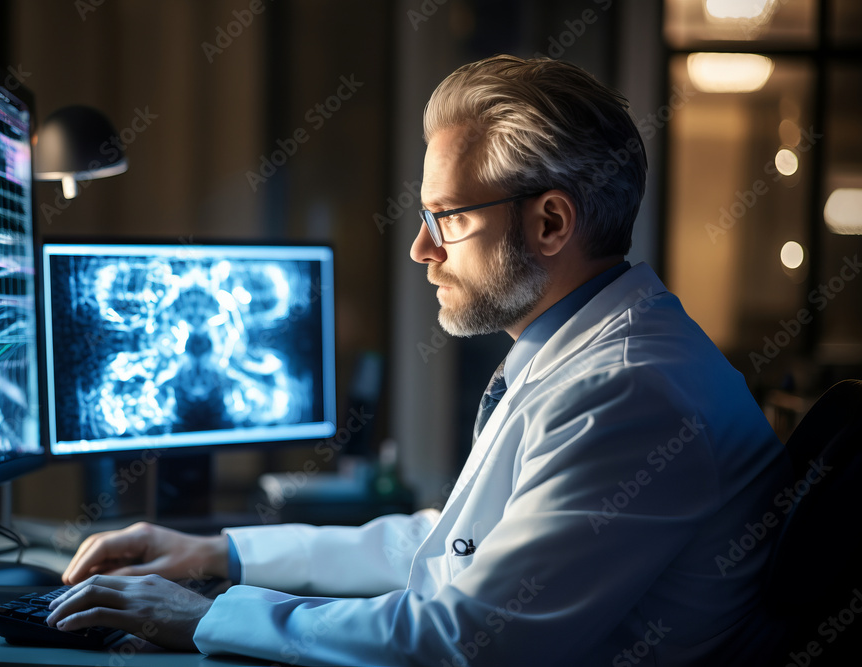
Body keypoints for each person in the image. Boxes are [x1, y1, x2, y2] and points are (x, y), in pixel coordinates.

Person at [46, 55, 792, 665]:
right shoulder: (583, 352)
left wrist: (205, 616)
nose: (421, 249)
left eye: (450, 217)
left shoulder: (630, 390)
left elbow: (464, 638)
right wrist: (215, 552)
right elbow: (448, 544)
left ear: (552, 221)